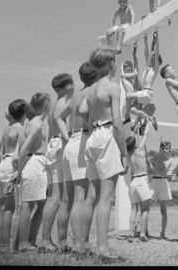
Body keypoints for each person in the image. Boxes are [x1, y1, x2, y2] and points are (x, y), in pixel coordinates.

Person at [85, 48, 129, 262]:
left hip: (93, 135)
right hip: (107, 135)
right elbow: (119, 124)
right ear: (111, 64)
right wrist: (124, 152)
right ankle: (103, 249)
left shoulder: (91, 89)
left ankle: (84, 244)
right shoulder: (113, 87)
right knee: (106, 197)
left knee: (92, 196)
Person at [62, 62, 99, 256]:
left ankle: (80, 242)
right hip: (83, 139)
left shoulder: (76, 96)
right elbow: (89, 117)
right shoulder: (91, 93)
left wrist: (68, 137)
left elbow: (59, 117)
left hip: (72, 141)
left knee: (78, 197)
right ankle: (80, 243)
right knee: (84, 197)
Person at [40, 73, 75, 252]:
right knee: (59, 198)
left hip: (53, 146)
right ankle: (53, 240)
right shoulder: (63, 103)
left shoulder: (55, 104)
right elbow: (64, 130)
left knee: (56, 196)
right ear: (68, 86)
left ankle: (48, 239)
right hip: (60, 145)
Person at [17, 93, 52, 252]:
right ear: (45, 104)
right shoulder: (37, 124)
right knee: (27, 204)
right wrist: (18, 172)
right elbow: (24, 149)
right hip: (34, 163)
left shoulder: (35, 122)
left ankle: (30, 239)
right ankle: (23, 242)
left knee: (42, 203)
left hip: (38, 163)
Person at [0, 100, 27, 250]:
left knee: (2, 206)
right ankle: (5, 244)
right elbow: (22, 151)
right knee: (9, 207)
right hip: (11, 166)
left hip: (2, 164)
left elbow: (0, 152)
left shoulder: (7, 129)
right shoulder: (20, 128)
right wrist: (19, 171)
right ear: (24, 112)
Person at [126, 122, 153, 241]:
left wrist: (135, 129)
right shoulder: (140, 149)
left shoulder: (128, 154)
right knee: (145, 209)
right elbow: (146, 134)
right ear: (135, 143)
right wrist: (149, 123)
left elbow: (131, 139)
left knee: (133, 209)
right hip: (142, 179)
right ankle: (142, 234)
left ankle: (131, 233)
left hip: (133, 182)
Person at [150, 141, 174, 240]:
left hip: (163, 182)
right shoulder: (154, 157)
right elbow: (150, 168)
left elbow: (164, 172)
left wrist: (156, 168)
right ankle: (143, 231)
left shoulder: (169, 160)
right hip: (154, 181)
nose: (164, 150)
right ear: (160, 148)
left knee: (163, 210)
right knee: (146, 206)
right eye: (163, 148)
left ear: (169, 150)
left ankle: (163, 232)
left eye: (167, 148)